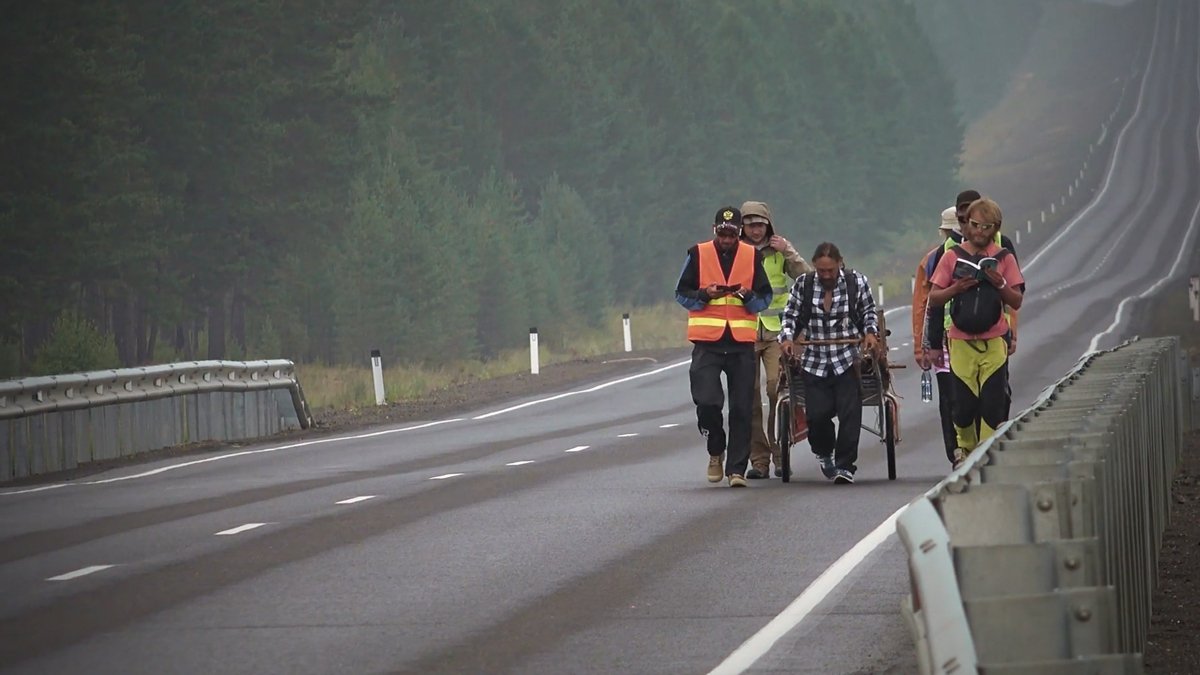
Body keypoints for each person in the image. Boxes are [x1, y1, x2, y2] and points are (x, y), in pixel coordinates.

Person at [675, 206, 773, 487]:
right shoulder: (697, 253)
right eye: (722, 233)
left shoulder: (752, 255)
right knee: (707, 402)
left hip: (741, 345)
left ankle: (736, 470)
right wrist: (705, 294)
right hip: (708, 343)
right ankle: (716, 449)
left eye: (732, 234)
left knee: (742, 408)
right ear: (714, 230)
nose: (727, 239)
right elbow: (680, 293)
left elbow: (764, 298)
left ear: (739, 232)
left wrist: (747, 297)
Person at [928, 197, 1025, 468]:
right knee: (963, 405)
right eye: (975, 225)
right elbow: (934, 298)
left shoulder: (1004, 257)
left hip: (994, 340)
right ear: (966, 226)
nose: (980, 231)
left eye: (987, 227)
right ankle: (966, 448)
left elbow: (1016, 300)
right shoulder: (951, 257)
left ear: (996, 228)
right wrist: (956, 289)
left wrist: (1001, 283)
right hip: (960, 341)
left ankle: (985, 454)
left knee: (993, 403)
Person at [778, 242, 881, 484]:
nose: (826, 276)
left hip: (846, 358)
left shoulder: (856, 283)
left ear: (839, 264)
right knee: (817, 416)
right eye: (821, 271)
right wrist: (787, 339)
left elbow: (868, 311)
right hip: (814, 360)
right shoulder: (803, 285)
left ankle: (845, 466)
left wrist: (869, 333)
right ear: (815, 266)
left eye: (831, 271)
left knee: (850, 413)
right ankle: (825, 453)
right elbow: (790, 317)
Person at [738, 200, 812, 479]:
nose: (756, 230)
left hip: (776, 332)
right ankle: (759, 460)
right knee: (749, 397)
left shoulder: (780, 249)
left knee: (776, 390)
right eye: (750, 225)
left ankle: (781, 454)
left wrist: (789, 252)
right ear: (742, 227)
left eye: (760, 224)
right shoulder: (737, 251)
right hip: (744, 331)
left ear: (768, 225)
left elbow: (807, 278)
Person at [912, 207, 960, 466]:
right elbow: (923, 303)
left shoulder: (990, 252)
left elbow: (921, 305)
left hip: (953, 339)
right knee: (953, 397)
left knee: (956, 398)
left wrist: (921, 345)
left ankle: (960, 450)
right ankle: (957, 452)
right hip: (944, 339)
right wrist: (923, 344)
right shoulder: (932, 259)